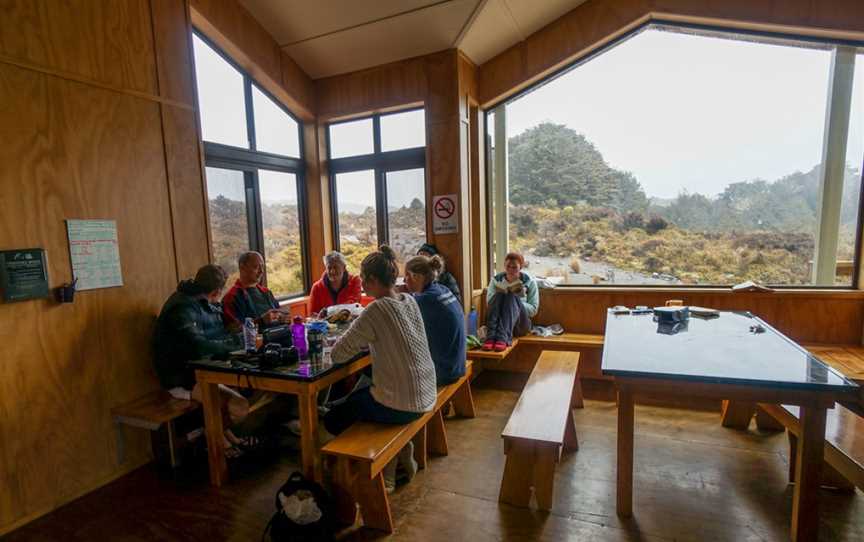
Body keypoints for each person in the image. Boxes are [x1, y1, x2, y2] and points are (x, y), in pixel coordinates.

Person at [324, 245, 437, 492]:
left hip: (402, 404)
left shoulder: (376, 309)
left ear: (374, 280)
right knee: (360, 391)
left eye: (364, 279)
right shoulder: (409, 300)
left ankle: (360, 467)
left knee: (332, 418)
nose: (362, 284)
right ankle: (402, 449)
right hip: (427, 393)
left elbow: (338, 354)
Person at [152, 264, 250, 457]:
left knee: (244, 390)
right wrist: (236, 342)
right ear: (216, 291)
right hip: (181, 379)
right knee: (239, 407)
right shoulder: (182, 307)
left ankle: (221, 433)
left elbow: (214, 334)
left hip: (200, 371)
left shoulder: (199, 300)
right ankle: (214, 438)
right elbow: (198, 346)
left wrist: (236, 334)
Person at [404, 254, 466, 385]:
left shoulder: (424, 300)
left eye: (407, 276)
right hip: (457, 364)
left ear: (418, 277)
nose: (404, 280)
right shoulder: (442, 289)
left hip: (444, 372)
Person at [483, 252, 539, 351]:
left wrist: (516, 302)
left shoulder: (530, 282)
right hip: (496, 323)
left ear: (520, 267)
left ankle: (502, 338)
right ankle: (491, 337)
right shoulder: (496, 280)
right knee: (502, 293)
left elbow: (534, 310)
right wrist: (504, 297)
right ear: (504, 266)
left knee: (511, 295)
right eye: (508, 266)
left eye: (514, 267)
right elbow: (489, 304)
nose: (511, 270)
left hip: (520, 325)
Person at [221, 251, 286, 331]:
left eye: (262, 267)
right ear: (242, 268)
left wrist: (284, 318)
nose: (261, 271)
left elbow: (279, 313)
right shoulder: (231, 297)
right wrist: (261, 321)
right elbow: (234, 330)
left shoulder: (266, 292)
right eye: (256, 267)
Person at [308, 251, 362, 316]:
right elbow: (313, 314)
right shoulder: (317, 287)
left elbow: (353, 305)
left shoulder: (355, 281)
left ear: (344, 267)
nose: (332, 271)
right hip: (325, 325)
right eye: (329, 268)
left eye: (336, 267)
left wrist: (327, 311)